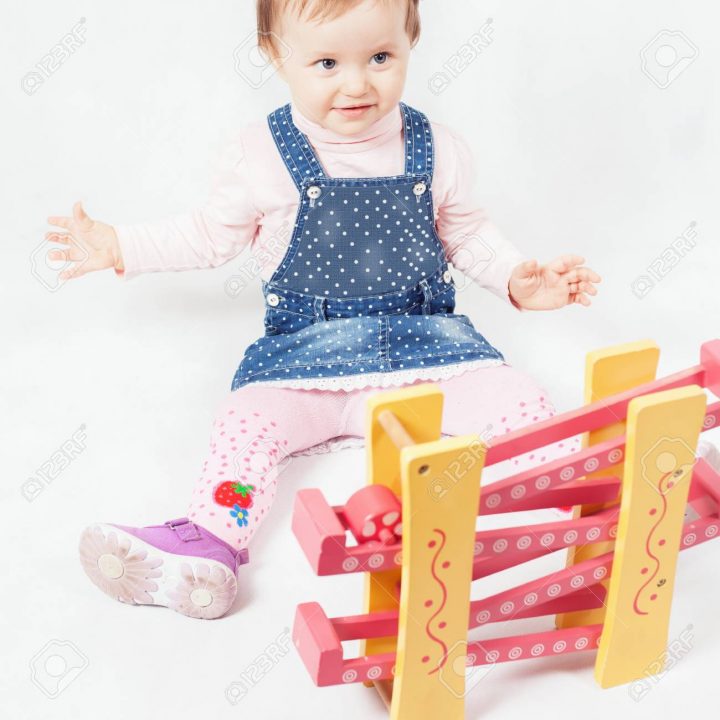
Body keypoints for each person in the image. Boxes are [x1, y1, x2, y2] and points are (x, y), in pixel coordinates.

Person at [48, 0, 612, 619]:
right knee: (246, 420)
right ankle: (210, 539)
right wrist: (121, 245)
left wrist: (516, 278)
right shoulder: (259, 155)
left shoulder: (436, 148)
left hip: (431, 352)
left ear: (410, 39)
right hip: (306, 361)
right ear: (274, 55)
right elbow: (209, 236)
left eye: (379, 57)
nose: (356, 84)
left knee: (515, 394)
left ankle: (570, 499)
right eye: (326, 62)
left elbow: (467, 233)